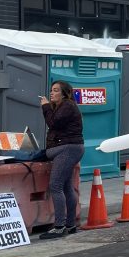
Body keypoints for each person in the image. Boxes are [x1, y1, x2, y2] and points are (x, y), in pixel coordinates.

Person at [39, 80, 84, 239]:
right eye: (51, 90)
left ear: (65, 93)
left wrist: (45, 107)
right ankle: (70, 225)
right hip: (68, 149)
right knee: (66, 186)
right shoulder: (63, 106)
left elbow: (53, 123)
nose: (52, 93)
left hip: (67, 149)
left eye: (56, 90)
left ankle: (59, 226)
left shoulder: (67, 106)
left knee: (55, 185)